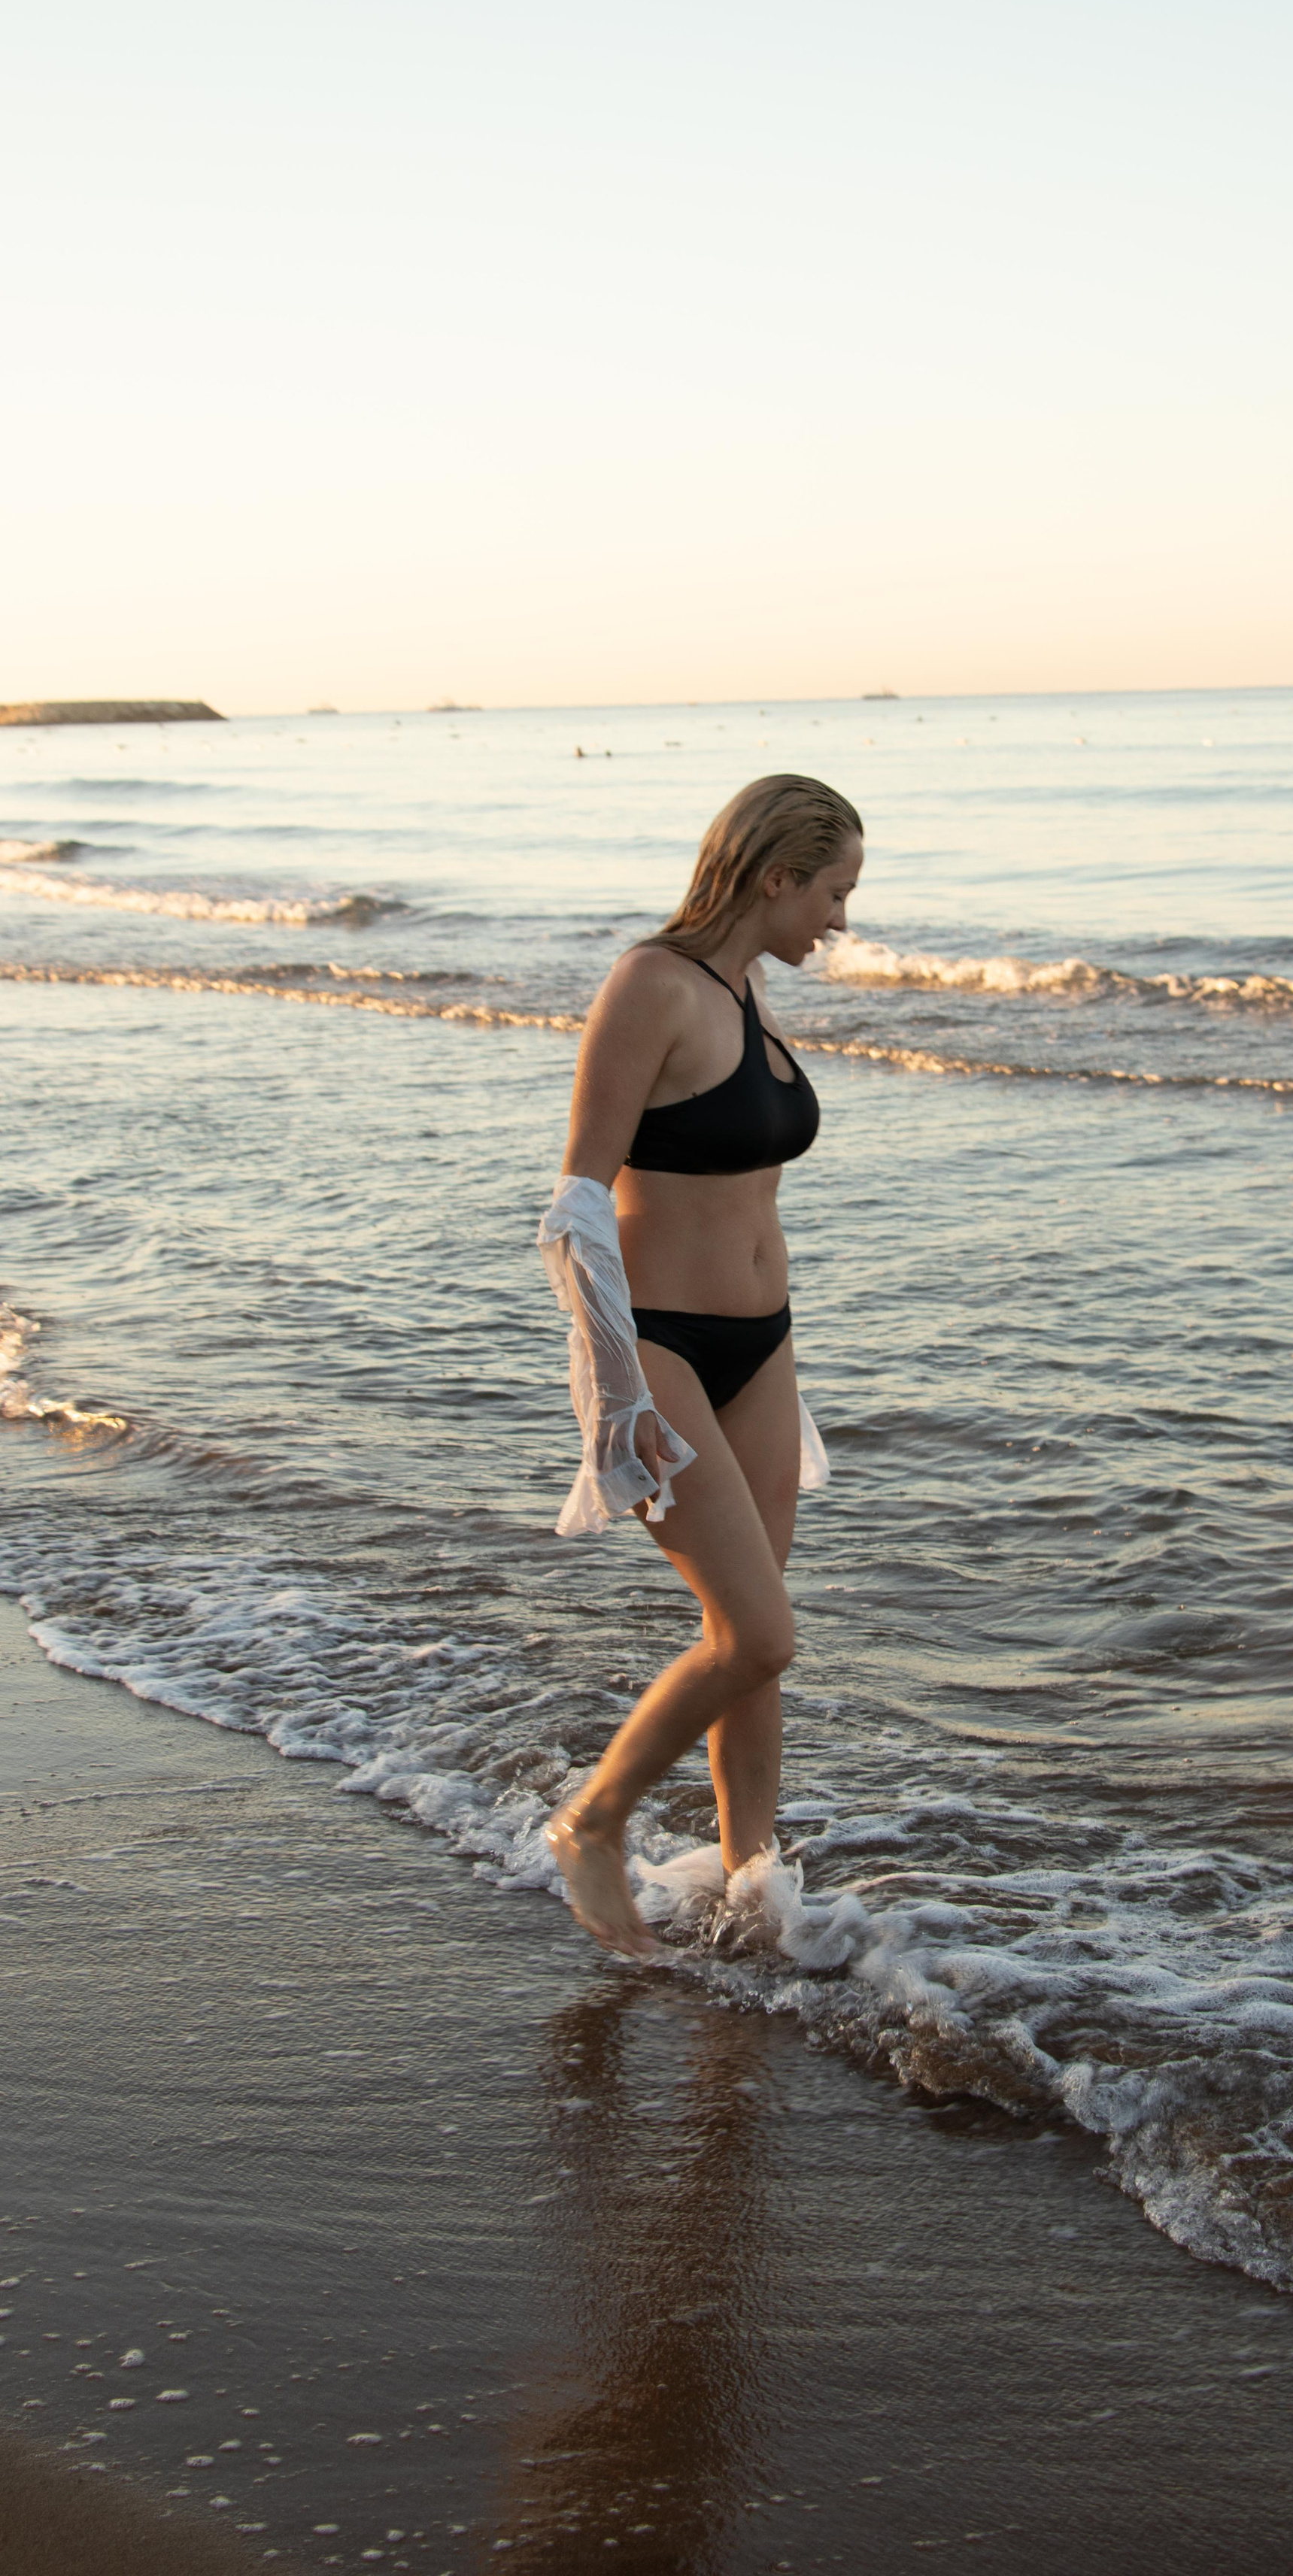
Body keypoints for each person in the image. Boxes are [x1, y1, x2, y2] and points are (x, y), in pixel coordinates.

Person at [536, 774, 864, 1958]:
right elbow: (578, 1200)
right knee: (759, 1637)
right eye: (833, 892)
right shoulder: (652, 985)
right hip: (663, 1349)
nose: (839, 918)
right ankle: (594, 1822)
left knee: (754, 1632)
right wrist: (617, 1389)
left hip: (763, 1347)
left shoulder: (749, 985)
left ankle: (751, 1887)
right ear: (777, 877)